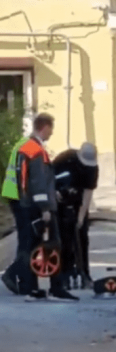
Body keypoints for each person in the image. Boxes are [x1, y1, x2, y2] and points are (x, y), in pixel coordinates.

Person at [1, 113, 78, 301]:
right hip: (32, 205)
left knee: (31, 244)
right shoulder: (35, 151)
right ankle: (52, 287)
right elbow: (38, 182)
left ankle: (30, 286)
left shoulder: (24, 145)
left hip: (20, 201)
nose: (51, 134)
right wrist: (45, 208)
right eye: (51, 130)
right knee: (51, 244)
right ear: (44, 127)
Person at [51, 142, 99, 288]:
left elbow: (88, 193)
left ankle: (85, 274)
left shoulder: (92, 168)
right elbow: (48, 178)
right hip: (60, 202)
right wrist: (54, 193)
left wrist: (81, 217)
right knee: (64, 240)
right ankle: (65, 275)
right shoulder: (64, 159)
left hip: (78, 202)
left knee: (82, 239)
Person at [1, 132, 30, 295]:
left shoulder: (21, 143)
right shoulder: (28, 147)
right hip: (19, 198)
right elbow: (25, 177)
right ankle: (13, 274)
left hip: (13, 195)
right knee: (28, 240)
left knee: (25, 240)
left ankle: (23, 278)